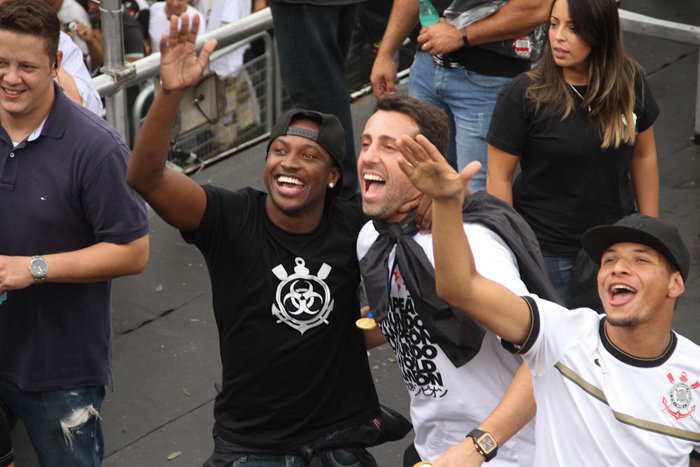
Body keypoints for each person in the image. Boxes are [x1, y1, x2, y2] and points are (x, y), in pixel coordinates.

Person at [126, 14, 413, 466]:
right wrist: (169, 93)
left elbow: (420, 228)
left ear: (334, 176)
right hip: (251, 443)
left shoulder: (356, 223)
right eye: (279, 150)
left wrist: (360, 329)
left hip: (337, 434)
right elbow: (145, 178)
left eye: (309, 155)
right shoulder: (228, 215)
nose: (289, 163)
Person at [395, 121, 699, 465]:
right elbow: (461, 289)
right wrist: (448, 203)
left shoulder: (696, 375)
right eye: (609, 259)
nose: (617, 268)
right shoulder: (563, 336)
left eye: (640, 260)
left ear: (675, 284)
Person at [356, 93, 566, 466]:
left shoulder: (473, 245)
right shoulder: (371, 239)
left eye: (390, 147)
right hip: (430, 449)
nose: (369, 156)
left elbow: (545, 355)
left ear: (428, 162)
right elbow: (402, 322)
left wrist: (476, 448)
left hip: (507, 457)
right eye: (367, 143)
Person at [0, 1, 150, 465]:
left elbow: (134, 251)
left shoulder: (97, 148)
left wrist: (35, 268)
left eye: (27, 66)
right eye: (1, 63)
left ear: (56, 66)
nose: (10, 78)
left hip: (60, 371)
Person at [486, 0, 659, 309]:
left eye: (573, 28)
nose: (558, 37)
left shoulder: (631, 83)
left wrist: (650, 234)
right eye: (553, 24)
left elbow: (643, 157)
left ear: (600, 32)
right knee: (555, 353)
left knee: (614, 346)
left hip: (615, 248)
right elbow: (498, 177)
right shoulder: (524, 95)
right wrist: (511, 249)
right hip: (548, 255)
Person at [370, 0, 551, 191]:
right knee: (419, 186)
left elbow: (539, 6)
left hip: (487, 79)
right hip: (426, 66)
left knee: (475, 198)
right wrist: (386, 54)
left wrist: (462, 34)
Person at [268, 0, 362, 194]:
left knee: (316, 108)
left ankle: (337, 199)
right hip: (327, 6)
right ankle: (341, 197)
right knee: (329, 92)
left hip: (304, 5)